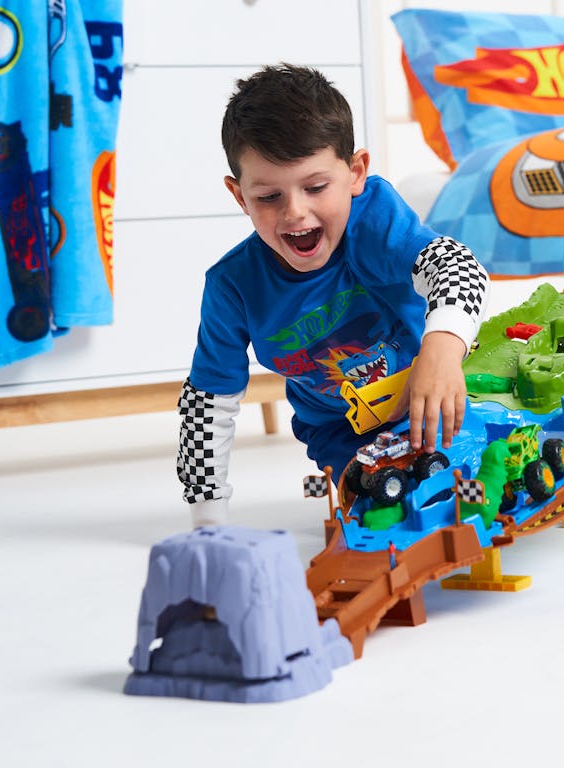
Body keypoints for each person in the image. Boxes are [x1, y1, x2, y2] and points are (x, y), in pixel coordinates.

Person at [177, 64, 490, 528]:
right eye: (268, 197)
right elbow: (207, 402)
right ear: (240, 196)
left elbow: (458, 266)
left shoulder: (373, 218)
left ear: (356, 173)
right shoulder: (232, 286)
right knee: (382, 510)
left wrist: (441, 353)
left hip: (429, 392)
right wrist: (208, 520)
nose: (295, 212)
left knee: (472, 482)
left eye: (316, 187)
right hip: (341, 429)